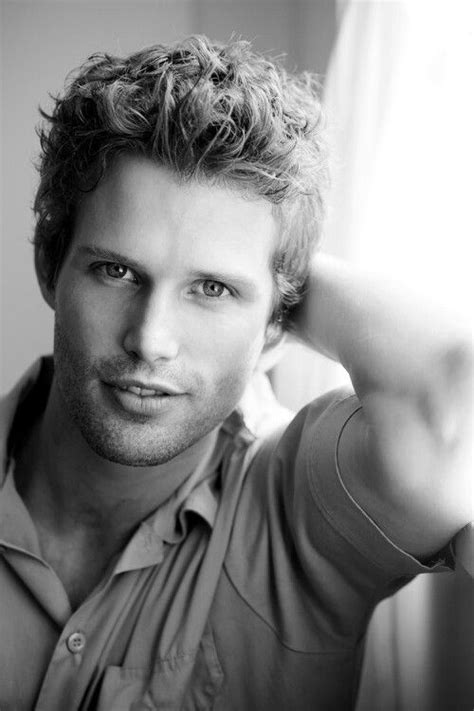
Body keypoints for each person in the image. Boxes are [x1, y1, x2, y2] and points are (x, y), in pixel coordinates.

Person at [0, 35, 471, 711]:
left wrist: (268, 270)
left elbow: (456, 403)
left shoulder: (291, 506)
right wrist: (236, 272)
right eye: (117, 270)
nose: (150, 339)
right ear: (52, 266)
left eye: (211, 290)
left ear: (282, 320)